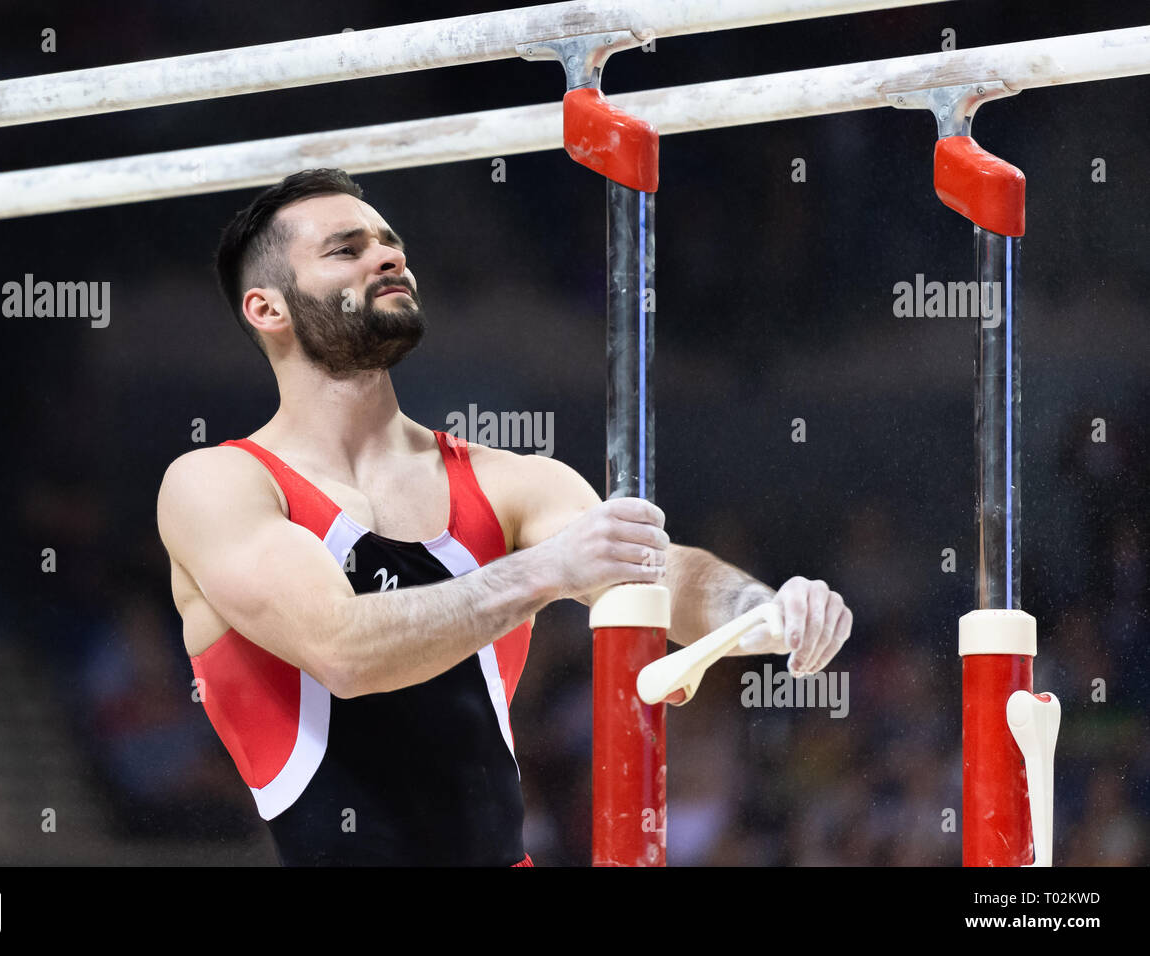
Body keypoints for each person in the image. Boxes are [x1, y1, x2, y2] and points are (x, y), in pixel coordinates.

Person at [155, 168, 853, 866]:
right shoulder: (218, 484)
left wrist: (764, 609)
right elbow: (342, 650)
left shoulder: (510, 481)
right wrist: (547, 569)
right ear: (267, 308)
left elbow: (654, 574)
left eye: (389, 241)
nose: (388, 255)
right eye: (347, 249)